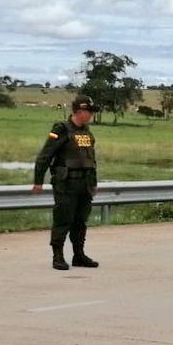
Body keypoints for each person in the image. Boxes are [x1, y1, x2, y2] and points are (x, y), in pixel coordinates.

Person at [32, 95, 101, 270]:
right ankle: (58, 256)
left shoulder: (86, 132)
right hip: (66, 184)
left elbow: (91, 160)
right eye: (89, 111)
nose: (91, 115)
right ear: (79, 111)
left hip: (84, 185)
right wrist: (38, 181)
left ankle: (79, 255)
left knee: (80, 221)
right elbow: (45, 156)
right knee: (63, 220)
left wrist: (93, 183)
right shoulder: (61, 129)